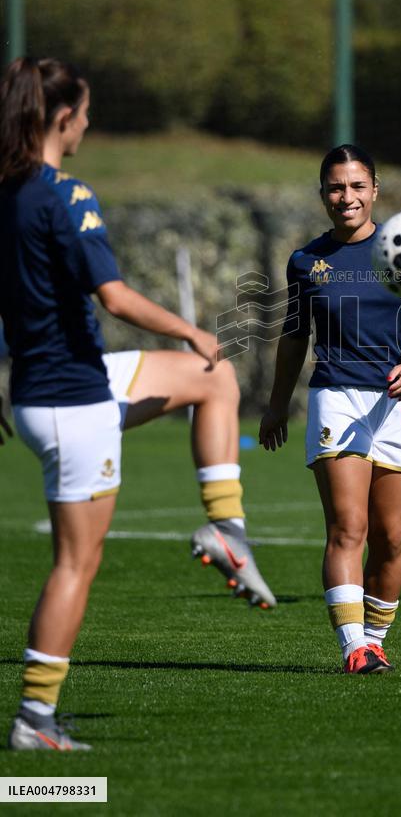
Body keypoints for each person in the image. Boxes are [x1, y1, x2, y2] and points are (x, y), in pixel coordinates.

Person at [0, 57, 274, 751]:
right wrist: (189, 326)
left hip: (47, 389)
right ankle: (35, 722)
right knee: (75, 565)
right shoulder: (64, 193)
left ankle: (227, 531)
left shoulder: (4, 190)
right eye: (85, 111)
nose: (89, 122)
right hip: (74, 403)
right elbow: (114, 298)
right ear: (62, 118)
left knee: (211, 380)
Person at [259, 145, 401, 673]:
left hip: (393, 405)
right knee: (348, 528)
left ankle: (376, 638)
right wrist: (277, 404)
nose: (347, 197)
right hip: (335, 398)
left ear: (375, 190)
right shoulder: (306, 261)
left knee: (392, 538)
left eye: (357, 186)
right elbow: (294, 337)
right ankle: (353, 647)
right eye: (336, 187)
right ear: (323, 194)